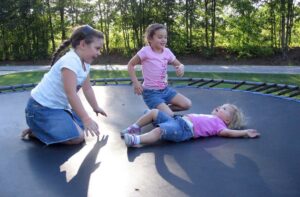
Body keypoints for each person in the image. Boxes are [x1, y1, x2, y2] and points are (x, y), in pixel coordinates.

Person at [21, 25, 107, 145]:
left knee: (86, 126)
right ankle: (37, 130)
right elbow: (71, 94)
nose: (99, 53)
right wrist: (86, 118)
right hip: (40, 109)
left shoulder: (85, 64)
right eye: (97, 48)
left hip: (58, 108)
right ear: (82, 45)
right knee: (78, 137)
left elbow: (87, 88)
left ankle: (45, 128)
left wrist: (95, 107)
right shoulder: (70, 62)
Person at [121, 103, 260, 147]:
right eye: (222, 106)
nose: (220, 107)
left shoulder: (220, 126)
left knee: (159, 131)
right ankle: (134, 128)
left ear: (228, 120)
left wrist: (245, 132)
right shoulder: (211, 117)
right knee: (153, 112)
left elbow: (229, 133)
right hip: (177, 120)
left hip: (183, 130)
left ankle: (136, 140)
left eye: (224, 109)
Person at [127, 23, 192, 117]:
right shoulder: (145, 51)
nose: (163, 40)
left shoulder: (167, 52)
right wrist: (136, 83)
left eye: (165, 37)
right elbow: (130, 65)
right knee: (169, 115)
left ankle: (157, 112)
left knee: (187, 104)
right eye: (160, 37)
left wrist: (181, 68)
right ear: (150, 39)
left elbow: (179, 64)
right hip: (151, 92)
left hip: (165, 90)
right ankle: (158, 113)